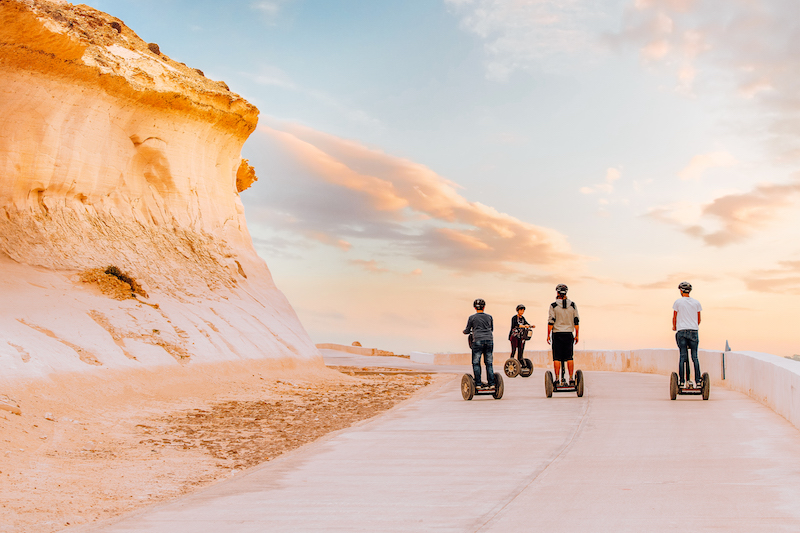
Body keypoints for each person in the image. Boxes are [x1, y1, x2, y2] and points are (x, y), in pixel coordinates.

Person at [547, 284, 579, 385]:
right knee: (569, 357)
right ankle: (571, 379)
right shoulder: (573, 305)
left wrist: (548, 335)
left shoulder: (553, 306)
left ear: (557, 293)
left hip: (557, 334)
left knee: (557, 358)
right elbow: (576, 321)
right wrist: (577, 335)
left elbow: (551, 322)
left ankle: (556, 379)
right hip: (569, 333)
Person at [673, 281, 702, 386]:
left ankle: (681, 382)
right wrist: (693, 325)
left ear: (681, 291)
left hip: (681, 331)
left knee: (683, 356)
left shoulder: (678, 302)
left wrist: (674, 327)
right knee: (694, 357)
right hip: (694, 331)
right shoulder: (696, 303)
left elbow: (674, 317)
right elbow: (699, 319)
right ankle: (698, 381)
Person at [463, 298, 494, 387]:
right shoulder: (489, 317)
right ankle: (492, 383)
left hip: (477, 341)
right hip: (489, 340)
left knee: (476, 362)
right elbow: (491, 329)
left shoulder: (472, 318)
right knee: (489, 363)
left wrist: (464, 332)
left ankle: (478, 383)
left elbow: (467, 330)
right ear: (484, 307)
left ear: (475, 308)